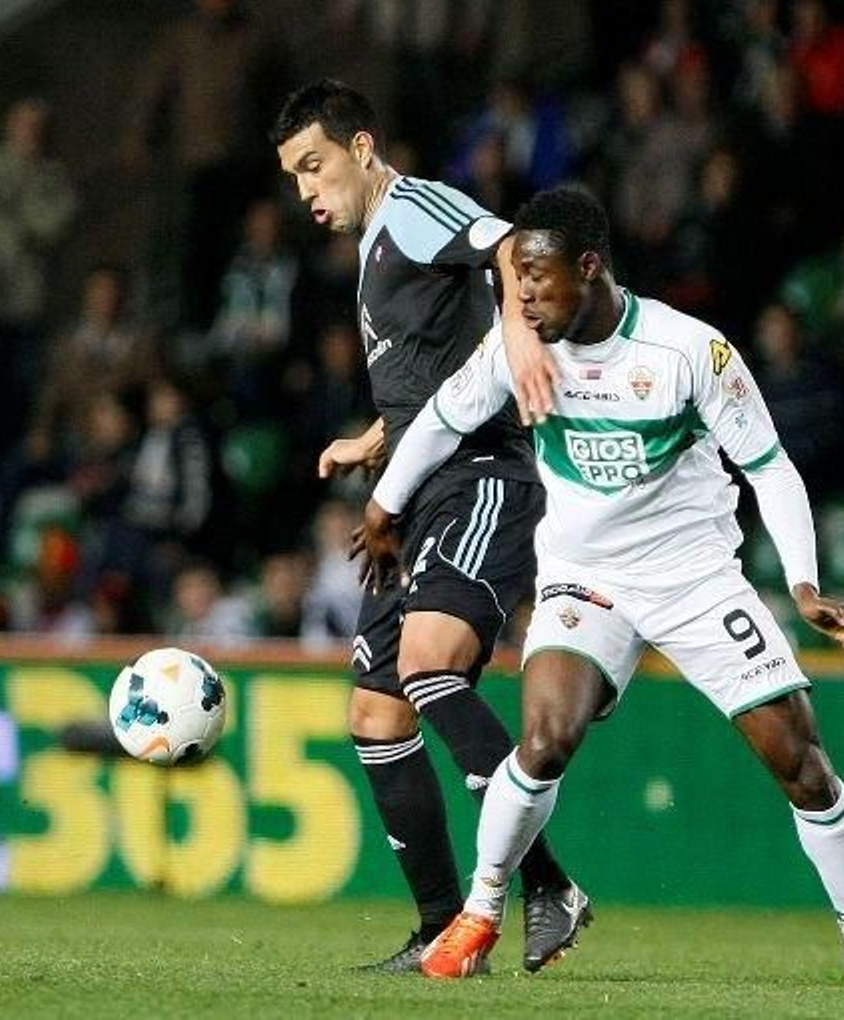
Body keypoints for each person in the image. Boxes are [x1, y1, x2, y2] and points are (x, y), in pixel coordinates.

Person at [360, 187, 844, 991]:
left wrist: (803, 585)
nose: (522, 296)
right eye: (516, 279)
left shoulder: (688, 351)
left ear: (589, 268)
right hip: (585, 577)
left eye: (537, 277)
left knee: (800, 762)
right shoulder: (519, 350)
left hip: (694, 579)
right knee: (544, 738)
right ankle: (480, 914)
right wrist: (383, 507)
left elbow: (769, 467)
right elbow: (442, 421)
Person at [271, 79, 585, 973]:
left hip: (482, 477)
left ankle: (550, 886)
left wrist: (520, 336)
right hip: (414, 491)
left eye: (315, 166)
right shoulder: (377, 246)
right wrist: (374, 438)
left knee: (428, 665)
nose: (308, 191)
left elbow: (514, 244)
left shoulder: (412, 208)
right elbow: (436, 375)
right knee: (376, 712)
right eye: (295, 178)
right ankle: (443, 928)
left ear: (361, 148)